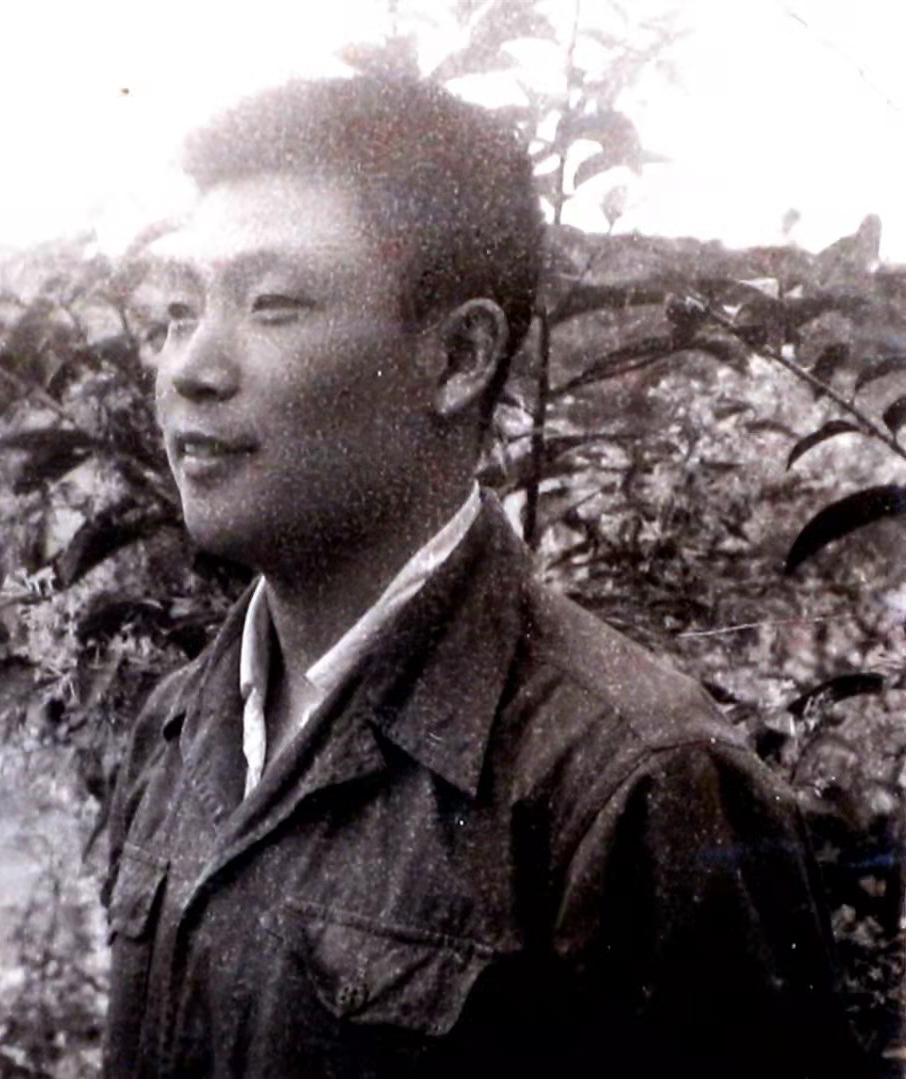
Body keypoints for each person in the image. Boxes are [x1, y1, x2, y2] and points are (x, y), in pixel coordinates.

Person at [101, 75, 866, 1078]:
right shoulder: (174, 727)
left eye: (271, 305)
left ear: (459, 357)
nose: (189, 367)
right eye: (175, 310)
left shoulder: (636, 782)